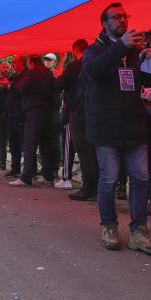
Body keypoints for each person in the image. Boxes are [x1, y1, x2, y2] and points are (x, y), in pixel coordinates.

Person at [82, 3, 151, 255]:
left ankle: (139, 231)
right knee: (109, 179)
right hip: (106, 128)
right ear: (104, 23)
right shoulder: (94, 50)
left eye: (125, 16)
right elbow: (93, 71)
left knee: (140, 178)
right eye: (116, 17)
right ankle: (109, 226)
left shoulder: (134, 52)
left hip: (134, 126)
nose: (122, 20)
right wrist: (121, 47)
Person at [56, 40, 99, 201]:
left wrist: (58, 76)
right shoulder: (95, 64)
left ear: (75, 50)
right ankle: (97, 187)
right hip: (93, 110)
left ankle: (89, 188)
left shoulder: (75, 66)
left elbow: (59, 85)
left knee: (83, 150)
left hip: (78, 111)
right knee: (93, 150)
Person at [10, 55, 57, 186]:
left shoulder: (32, 72)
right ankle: (48, 176)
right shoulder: (48, 72)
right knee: (45, 144)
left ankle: (26, 177)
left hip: (34, 111)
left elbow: (21, 89)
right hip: (47, 111)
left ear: (31, 62)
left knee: (30, 144)